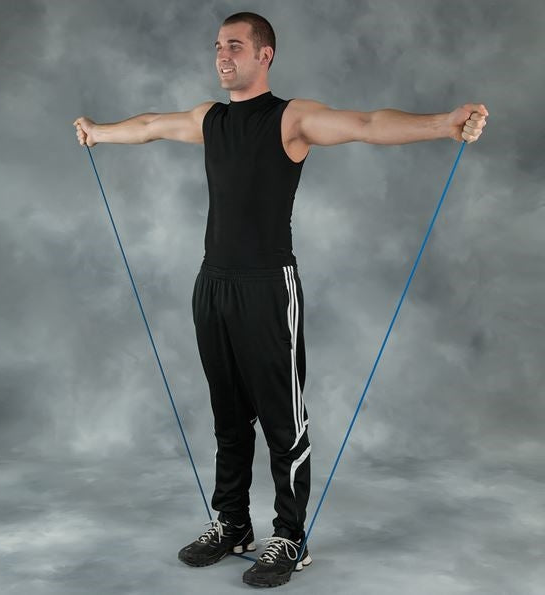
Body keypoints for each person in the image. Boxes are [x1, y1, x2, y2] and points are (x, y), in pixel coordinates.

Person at [73, 11, 488, 588]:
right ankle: (232, 523)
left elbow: (367, 123)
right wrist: (98, 132)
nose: (222, 56)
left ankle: (290, 536)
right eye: (218, 46)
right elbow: (148, 126)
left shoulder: (291, 119)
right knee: (227, 415)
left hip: (268, 287)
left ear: (264, 54)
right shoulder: (210, 119)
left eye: (235, 46)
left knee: (281, 419)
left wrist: (445, 123)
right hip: (212, 284)